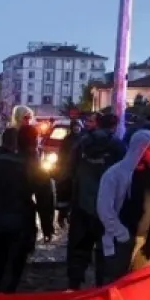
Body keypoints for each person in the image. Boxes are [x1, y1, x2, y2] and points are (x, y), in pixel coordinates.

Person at [0, 125, 55, 293]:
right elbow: (45, 199)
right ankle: (5, 297)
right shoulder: (32, 166)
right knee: (14, 264)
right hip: (21, 222)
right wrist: (47, 226)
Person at [58, 112, 125, 289]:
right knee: (106, 250)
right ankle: (102, 289)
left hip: (82, 205)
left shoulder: (82, 144)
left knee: (78, 249)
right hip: (108, 208)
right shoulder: (118, 147)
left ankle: (73, 287)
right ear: (115, 126)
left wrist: (63, 206)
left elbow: (66, 174)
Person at [96, 129, 150, 283]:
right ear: (139, 148)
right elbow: (105, 209)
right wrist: (122, 235)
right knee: (116, 284)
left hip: (146, 240)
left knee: (140, 286)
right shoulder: (114, 174)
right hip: (121, 242)